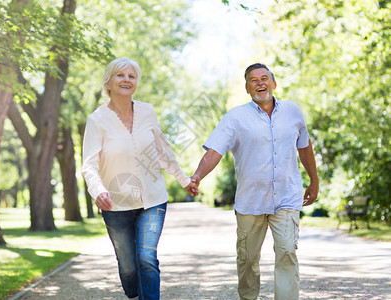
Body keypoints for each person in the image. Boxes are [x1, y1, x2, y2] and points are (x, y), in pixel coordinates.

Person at [190, 63, 319, 300]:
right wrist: (197, 176)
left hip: (287, 198)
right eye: (253, 80)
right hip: (251, 201)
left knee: (287, 252)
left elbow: (305, 146)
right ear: (248, 88)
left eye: (264, 78)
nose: (260, 83)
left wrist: (314, 180)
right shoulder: (235, 117)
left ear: (274, 83)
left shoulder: (293, 111)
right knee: (248, 260)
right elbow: (214, 151)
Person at [81, 57, 197, 300]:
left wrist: (183, 179)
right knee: (128, 267)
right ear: (108, 82)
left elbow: (162, 151)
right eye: (120, 75)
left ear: (136, 83)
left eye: (131, 76)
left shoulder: (147, 111)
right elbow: (89, 165)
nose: (126, 80)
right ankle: (133, 292)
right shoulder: (97, 120)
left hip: (152, 198)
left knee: (146, 258)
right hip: (116, 203)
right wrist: (98, 190)